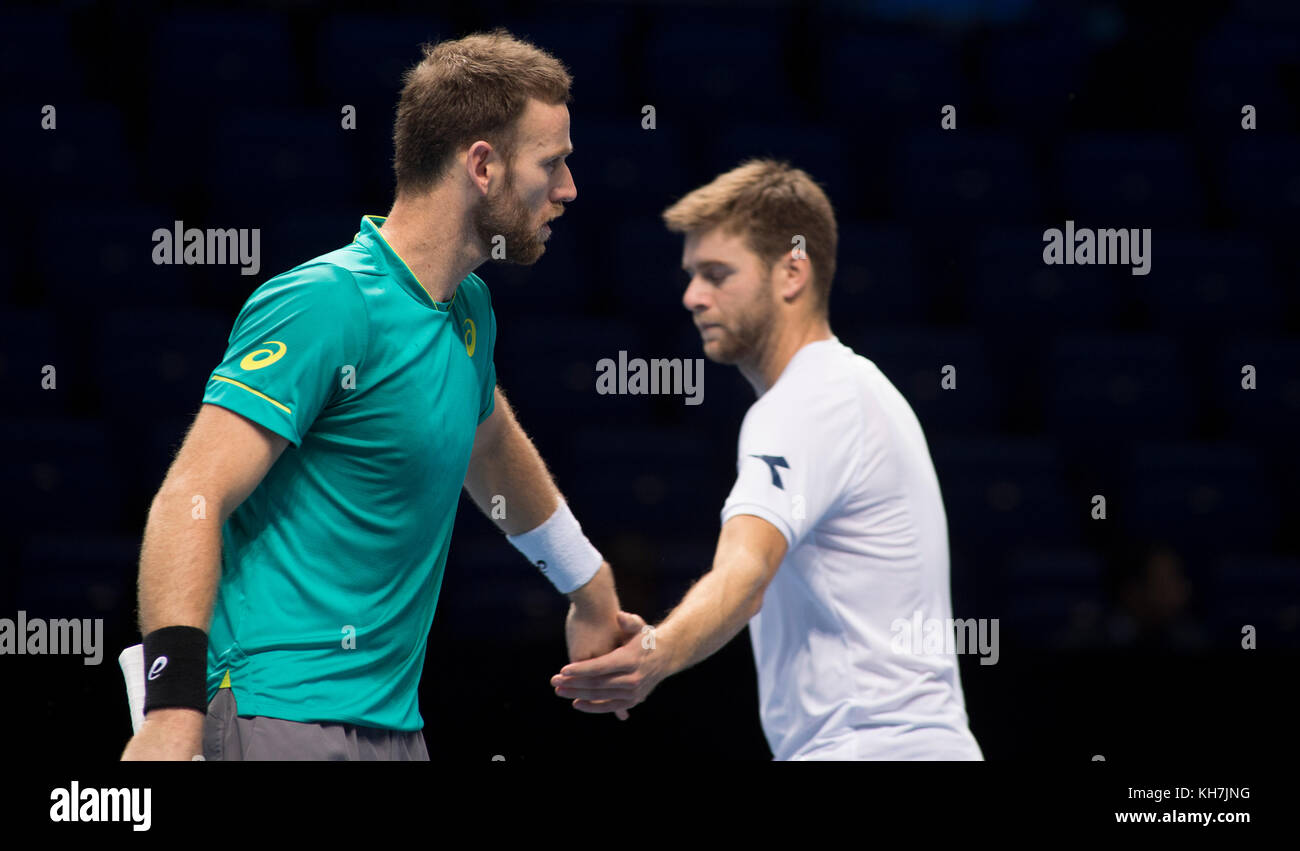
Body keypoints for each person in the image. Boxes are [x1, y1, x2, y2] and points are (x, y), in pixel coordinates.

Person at [121, 29, 634, 761]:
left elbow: (489, 449)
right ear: (482, 165)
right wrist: (170, 713)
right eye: (551, 164)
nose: (567, 189)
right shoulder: (326, 303)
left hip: (394, 728)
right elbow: (190, 496)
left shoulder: (467, 311)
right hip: (273, 711)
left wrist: (591, 586)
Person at [551, 160, 983, 760]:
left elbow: (744, 575)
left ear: (792, 272)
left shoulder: (809, 400)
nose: (692, 296)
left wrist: (653, 654)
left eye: (716, 274)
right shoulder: (849, 389)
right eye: (691, 274)